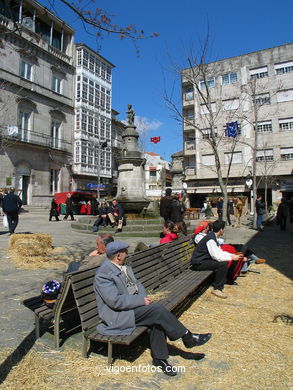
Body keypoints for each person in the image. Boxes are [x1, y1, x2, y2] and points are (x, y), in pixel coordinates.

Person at [93, 241, 212, 376]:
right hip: (117, 315)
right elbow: (114, 301)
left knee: (157, 319)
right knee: (157, 311)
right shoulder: (104, 274)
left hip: (132, 308)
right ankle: (187, 336)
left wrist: (143, 300)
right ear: (118, 255)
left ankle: (160, 359)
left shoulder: (124, 267)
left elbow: (138, 285)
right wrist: (140, 301)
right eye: (126, 252)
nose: (128, 254)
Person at [190, 220, 244, 299]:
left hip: (202, 260)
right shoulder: (211, 239)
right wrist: (231, 258)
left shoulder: (213, 236)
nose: (223, 231)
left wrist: (232, 255)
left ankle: (219, 283)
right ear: (221, 230)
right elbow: (216, 256)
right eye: (223, 229)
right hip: (198, 263)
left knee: (222, 263)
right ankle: (217, 288)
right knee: (222, 264)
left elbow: (219, 252)